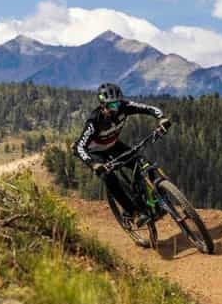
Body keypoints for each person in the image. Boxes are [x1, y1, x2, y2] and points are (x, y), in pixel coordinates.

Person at [72, 83, 171, 227]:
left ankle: (155, 202)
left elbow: (148, 108)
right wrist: (93, 164)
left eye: (117, 104)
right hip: (96, 153)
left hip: (113, 145)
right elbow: (80, 146)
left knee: (143, 164)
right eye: (111, 106)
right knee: (109, 177)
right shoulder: (94, 121)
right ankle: (132, 212)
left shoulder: (124, 106)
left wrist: (161, 118)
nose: (115, 109)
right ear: (102, 106)